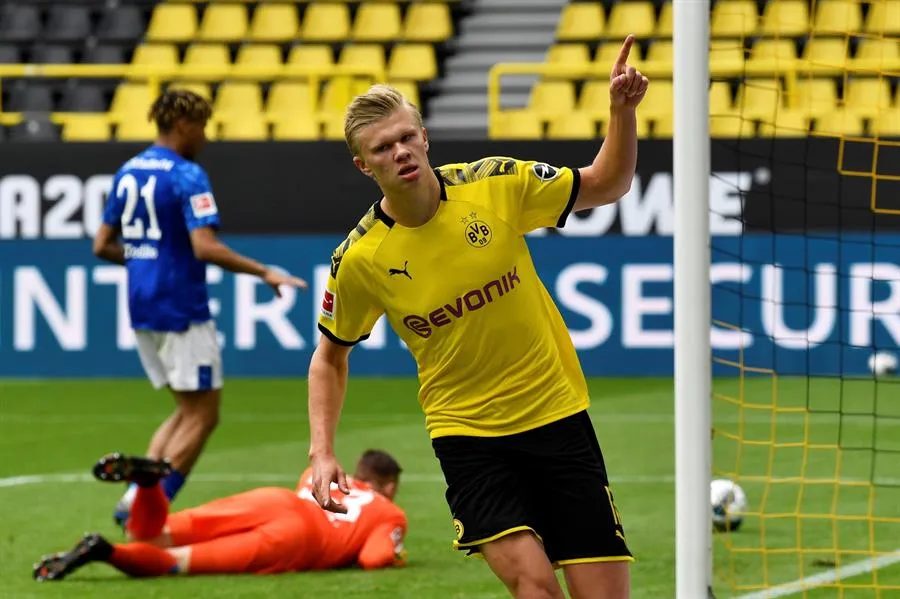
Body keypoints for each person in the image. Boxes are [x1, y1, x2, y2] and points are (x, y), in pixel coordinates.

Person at [306, 34, 648, 599]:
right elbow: (329, 357)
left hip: (557, 415)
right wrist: (322, 452)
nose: (400, 153)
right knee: (535, 586)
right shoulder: (361, 259)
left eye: (406, 137)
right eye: (383, 148)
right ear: (363, 166)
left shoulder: (494, 184)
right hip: (468, 436)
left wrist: (621, 113)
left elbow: (608, 183)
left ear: (424, 136)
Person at [92, 89, 307, 528]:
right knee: (205, 415)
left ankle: (136, 494)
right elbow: (204, 247)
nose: (205, 137)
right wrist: (264, 272)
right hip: (180, 304)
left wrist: (145, 261)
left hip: (142, 303)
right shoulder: (187, 175)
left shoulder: (128, 171)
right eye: (203, 127)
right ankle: (147, 511)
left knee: (187, 408)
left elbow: (102, 245)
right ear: (184, 124)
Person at [33, 450, 407, 581]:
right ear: (388, 487)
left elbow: (309, 493)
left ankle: (148, 485)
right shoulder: (389, 512)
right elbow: (374, 559)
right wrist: (396, 555)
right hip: (297, 538)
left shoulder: (319, 474)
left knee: (151, 534)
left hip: (274, 501)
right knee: (172, 562)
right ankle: (103, 551)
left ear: (360, 472)